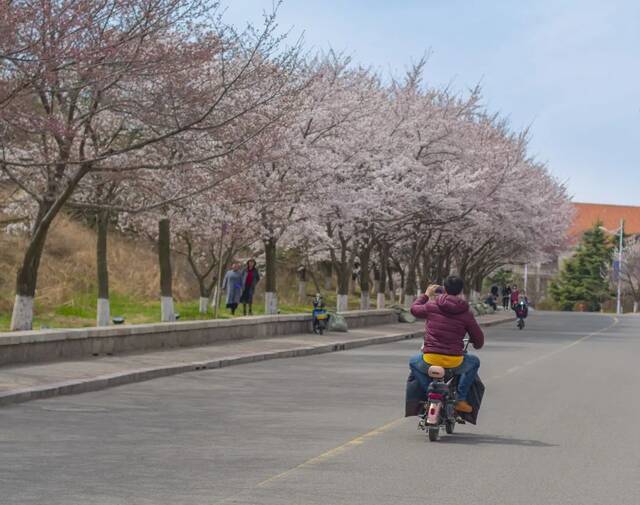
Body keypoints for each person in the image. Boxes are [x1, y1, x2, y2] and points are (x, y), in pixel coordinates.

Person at [408, 275, 485, 414]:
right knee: (474, 362)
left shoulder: (431, 305)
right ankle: (460, 399)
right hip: (455, 361)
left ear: (444, 288)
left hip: (430, 359)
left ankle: (429, 391)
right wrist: (476, 343)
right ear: (461, 291)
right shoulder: (466, 312)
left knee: (413, 362)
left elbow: (414, 309)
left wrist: (426, 295)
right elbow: (478, 339)